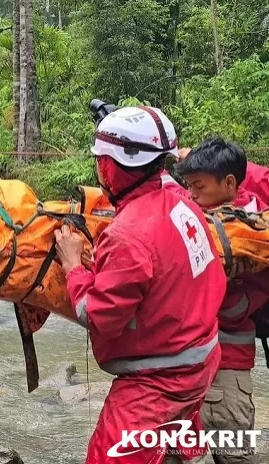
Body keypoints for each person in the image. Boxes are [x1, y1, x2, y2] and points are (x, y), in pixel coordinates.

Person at [54, 106, 226, 463]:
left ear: (109, 167)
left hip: (156, 381)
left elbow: (99, 316)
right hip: (200, 361)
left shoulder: (126, 236)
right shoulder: (181, 198)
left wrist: (73, 266)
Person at [173, 137, 269, 463]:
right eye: (188, 185)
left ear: (229, 183)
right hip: (186, 368)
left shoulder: (249, 233)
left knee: (234, 458)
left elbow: (240, 306)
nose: (191, 194)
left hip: (226, 367)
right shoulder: (204, 213)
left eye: (198, 186)